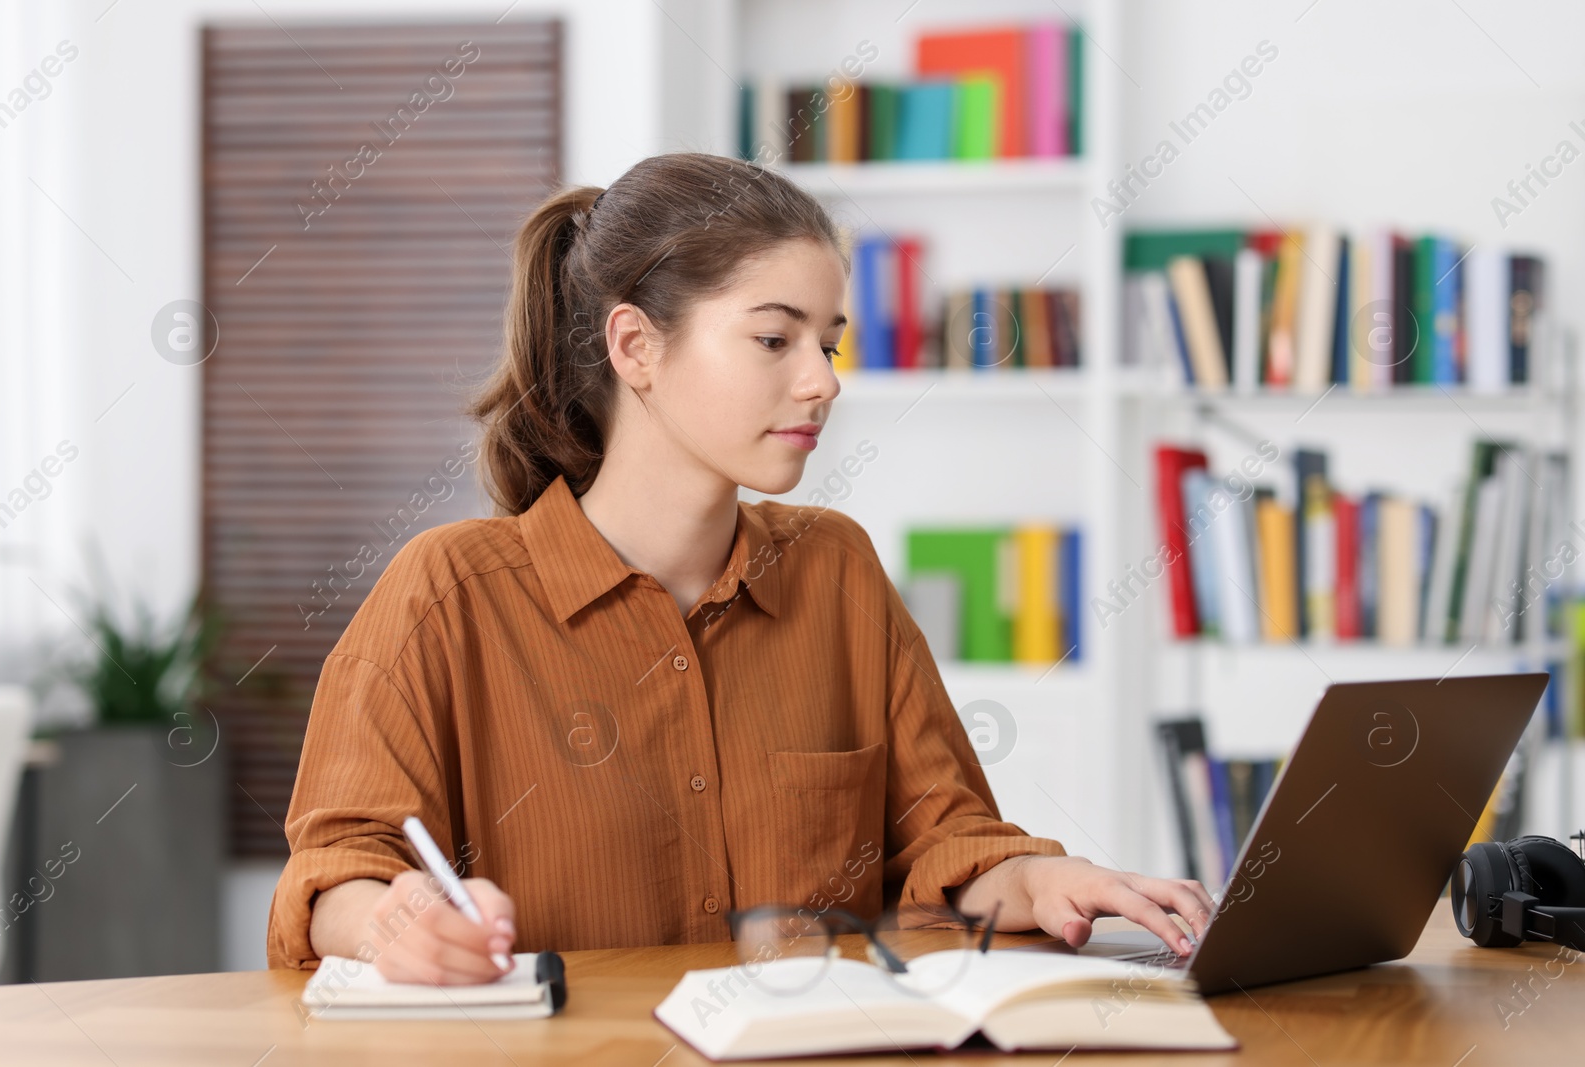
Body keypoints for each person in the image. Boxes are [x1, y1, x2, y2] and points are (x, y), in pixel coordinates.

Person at [266, 152, 1212, 984]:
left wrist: (1049, 880)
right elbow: (334, 870)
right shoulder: (450, 593)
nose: (824, 379)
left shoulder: (835, 570)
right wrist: (391, 921)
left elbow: (945, 845)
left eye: (829, 340)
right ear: (635, 345)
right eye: (775, 339)